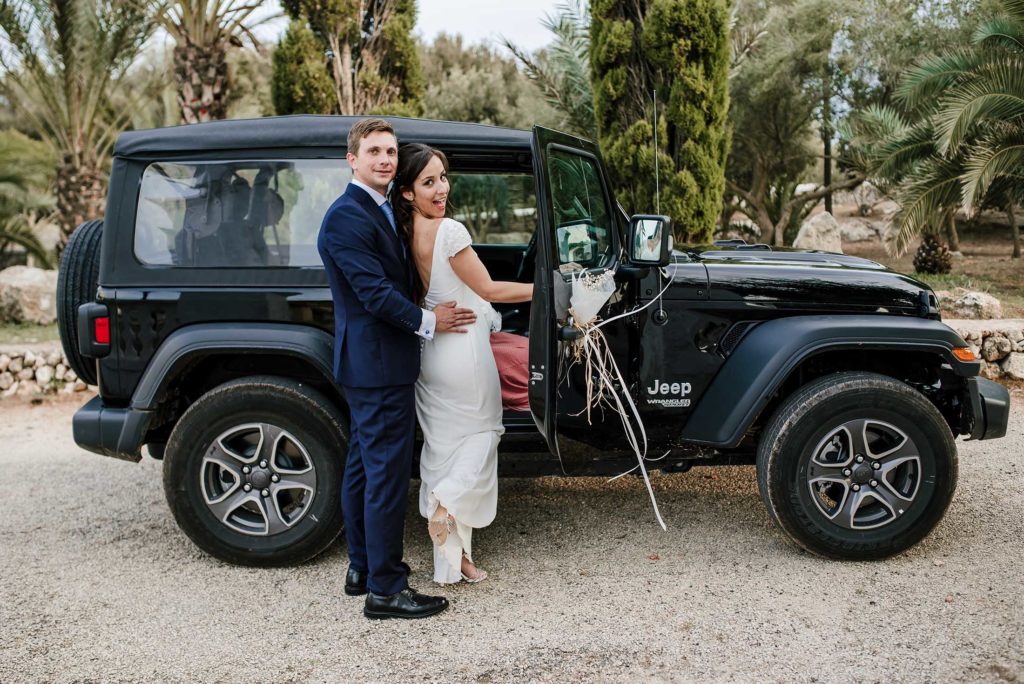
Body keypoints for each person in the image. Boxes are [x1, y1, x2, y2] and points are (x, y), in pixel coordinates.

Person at [317, 119, 477, 620]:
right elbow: (374, 294)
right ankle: (386, 589)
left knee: (364, 465)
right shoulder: (347, 216)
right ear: (353, 159)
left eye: (390, 151)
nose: (385, 159)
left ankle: (363, 568)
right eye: (374, 152)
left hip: (374, 362)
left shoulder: (381, 207)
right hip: (378, 363)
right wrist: (430, 320)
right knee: (384, 475)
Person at [391, 143, 534, 584]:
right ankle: (448, 500)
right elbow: (490, 290)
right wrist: (549, 290)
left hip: (430, 351)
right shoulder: (449, 231)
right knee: (484, 434)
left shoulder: (403, 233)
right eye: (428, 182)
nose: (441, 189)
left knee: (442, 451)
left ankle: (453, 565)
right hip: (464, 353)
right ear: (408, 192)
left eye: (443, 178)